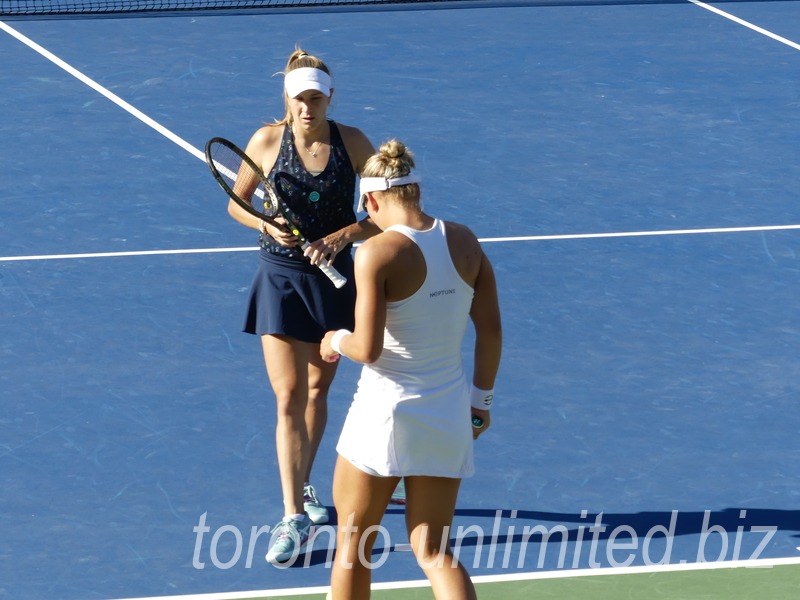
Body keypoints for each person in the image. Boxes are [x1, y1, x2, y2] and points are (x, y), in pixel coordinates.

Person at [320, 140, 502, 599]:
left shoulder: (376, 253)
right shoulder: (464, 240)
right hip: (448, 415)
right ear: (416, 191)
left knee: (353, 547)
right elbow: (492, 332)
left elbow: (367, 347)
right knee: (434, 550)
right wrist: (479, 404)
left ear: (372, 199)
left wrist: (334, 339)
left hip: (384, 417)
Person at [227, 48, 377, 564]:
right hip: (281, 280)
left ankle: (306, 483)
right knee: (288, 394)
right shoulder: (267, 141)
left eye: (316, 98)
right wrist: (266, 225)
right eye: (299, 99)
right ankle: (292, 514)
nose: (307, 108)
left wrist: (341, 235)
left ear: (329, 97)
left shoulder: (354, 143)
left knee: (317, 392)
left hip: (334, 283)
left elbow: (386, 212)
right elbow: (236, 204)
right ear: (287, 100)